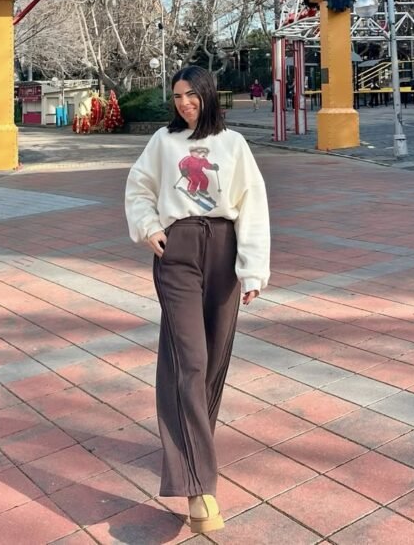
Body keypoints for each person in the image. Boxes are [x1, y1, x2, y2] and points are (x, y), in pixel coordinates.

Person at [125, 65, 270, 533]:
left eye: (191, 95)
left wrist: (252, 268)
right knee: (187, 361)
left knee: (212, 363)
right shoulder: (164, 143)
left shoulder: (234, 146)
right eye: (177, 96)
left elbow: (253, 205)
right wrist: (150, 228)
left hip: (225, 251)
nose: (184, 103)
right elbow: (138, 188)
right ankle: (198, 486)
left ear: (208, 95)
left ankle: (190, 449)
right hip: (179, 251)